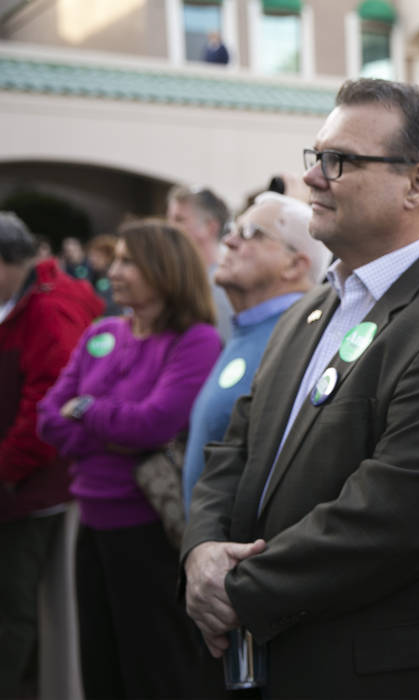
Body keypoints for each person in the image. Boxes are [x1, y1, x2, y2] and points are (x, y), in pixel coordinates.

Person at [182, 78, 419, 698]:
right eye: (316, 157)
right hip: (292, 658)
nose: (313, 178)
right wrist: (202, 550)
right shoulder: (311, 310)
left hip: (399, 675)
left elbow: (391, 520)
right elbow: (233, 453)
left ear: (417, 185)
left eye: (338, 161)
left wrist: (232, 591)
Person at [37, 220, 222, 699]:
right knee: (100, 664)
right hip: (92, 523)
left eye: (127, 261)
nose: (112, 271)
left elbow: (155, 424)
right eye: (115, 259)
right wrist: (111, 429)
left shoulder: (195, 340)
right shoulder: (103, 331)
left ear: (163, 269)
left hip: (148, 529)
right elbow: (48, 419)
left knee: (155, 669)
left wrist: (89, 411)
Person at [0, 212, 101, 696]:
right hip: (23, 480)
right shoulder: (26, 299)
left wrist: (5, 468)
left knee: (15, 605)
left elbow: (47, 405)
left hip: (32, 485)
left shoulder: (47, 306)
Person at [183, 192, 330, 512]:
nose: (230, 242)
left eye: (251, 233)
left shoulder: (303, 339)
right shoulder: (249, 326)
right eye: (233, 230)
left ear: (295, 264)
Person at [167, 185, 234, 342]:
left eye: (179, 219)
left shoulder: (225, 285)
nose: (169, 228)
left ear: (211, 227)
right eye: (169, 219)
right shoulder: (178, 279)